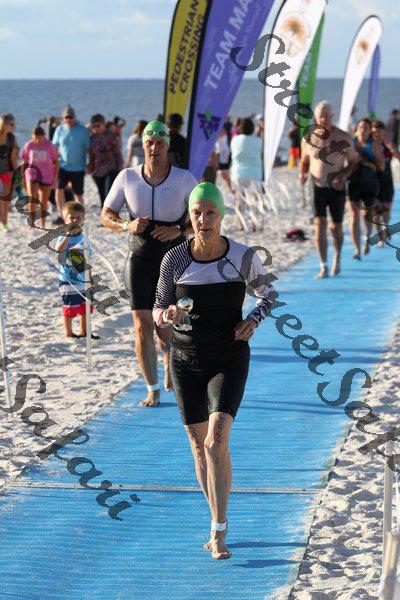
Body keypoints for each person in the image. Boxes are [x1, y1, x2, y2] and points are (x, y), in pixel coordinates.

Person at [153, 182, 276, 560]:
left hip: (228, 357)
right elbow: (158, 308)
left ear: (221, 215)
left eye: (210, 213)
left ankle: (219, 530)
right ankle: (215, 516)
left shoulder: (241, 257)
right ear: (189, 217)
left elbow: (269, 294)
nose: (203, 220)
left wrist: (253, 320)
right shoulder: (175, 259)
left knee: (215, 443)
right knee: (198, 446)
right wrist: (167, 316)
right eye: (196, 213)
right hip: (184, 360)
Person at [101, 120, 197, 407]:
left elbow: (207, 215)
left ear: (168, 145)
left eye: (159, 143)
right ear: (142, 145)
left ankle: (168, 357)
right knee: (142, 326)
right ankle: (152, 388)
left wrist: (179, 231)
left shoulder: (184, 179)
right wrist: (126, 225)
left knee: (165, 325)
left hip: (173, 261)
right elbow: (106, 214)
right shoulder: (127, 177)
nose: (154, 148)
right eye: (149, 143)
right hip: (139, 259)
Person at [299, 101, 359, 278]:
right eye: (321, 116)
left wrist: (342, 175)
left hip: (336, 188)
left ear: (332, 116)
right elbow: (304, 162)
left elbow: (354, 162)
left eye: (327, 116)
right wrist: (302, 174)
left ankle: (337, 258)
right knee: (320, 225)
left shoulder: (344, 137)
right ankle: (323, 266)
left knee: (336, 227)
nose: (324, 120)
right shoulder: (308, 139)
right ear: (316, 118)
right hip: (317, 187)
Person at [55, 202, 99, 339]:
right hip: (68, 279)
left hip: (84, 278)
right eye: (71, 217)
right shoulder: (63, 235)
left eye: (78, 217)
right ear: (64, 219)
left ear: (83, 218)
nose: (75, 220)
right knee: (70, 307)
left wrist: (90, 278)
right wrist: (68, 236)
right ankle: (69, 333)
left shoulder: (84, 237)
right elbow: (59, 250)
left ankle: (84, 331)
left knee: (86, 307)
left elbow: (87, 260)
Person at [348, 118, 384, 259]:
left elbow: (382, 167)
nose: (363, 130)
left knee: (367, 215)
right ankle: (357, 250)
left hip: (369, 183)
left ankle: (367, 238)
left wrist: (368, 163)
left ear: (370, 131)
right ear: (357, 129)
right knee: (353, 215)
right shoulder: (350, 143)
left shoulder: (374, 145)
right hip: (353, 182)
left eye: (366, 128)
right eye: (361, 127)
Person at [52, 106, 91, 222]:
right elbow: (54, 148)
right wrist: (52, 163)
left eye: (71, 117)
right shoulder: (59, 130)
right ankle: (62, 215)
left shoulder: (82, 130)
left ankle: (81, 217)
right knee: (59, 190)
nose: (69, 119)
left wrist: (90, 163)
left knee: (78, 194)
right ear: (63, 118)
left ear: (75, 117)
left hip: (78, 167)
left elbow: (89, 149)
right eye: (66, 117)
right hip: (63, 166)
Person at [21, 125, 59, 228]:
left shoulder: (49, 145)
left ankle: (42, 223)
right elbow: (24, 161)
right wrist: (22, 176)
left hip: (47, 175)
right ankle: (32, 222)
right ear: (32, 136)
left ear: (44, 136)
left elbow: (56, 161)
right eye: (36, 138)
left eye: (40, 138)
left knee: (43, 201)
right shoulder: (29, 145)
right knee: (32, 199)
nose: (38, 140)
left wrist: (55, 176)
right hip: (32, 174)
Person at [372, 120, 400, 238]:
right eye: (375, 132)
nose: (377, 134)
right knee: (376, 211)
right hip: (373, 181)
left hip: (387, 181)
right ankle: (380, 236)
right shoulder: (369, 145)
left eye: (380, 131)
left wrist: (392, 149)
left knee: (386, 210)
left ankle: (386, 226)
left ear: (384, 132)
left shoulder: (388, 144)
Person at [88, 114, 122, 208]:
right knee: (102, 196)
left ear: (103, 124)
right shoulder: (92, 137)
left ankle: (110, 213)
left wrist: (120, 168)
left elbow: (118, 153)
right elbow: (91, 154)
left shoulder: (111, 135)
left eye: (98, 125)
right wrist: (90, 165)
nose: (96, 128)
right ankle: (104, 215)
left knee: (108, 195)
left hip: (111, 168)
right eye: (94, 126)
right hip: (98, 171)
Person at [0, 113, 18, 232]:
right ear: (5, 124)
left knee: (5, 198)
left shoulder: (11, 137)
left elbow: (13, 157)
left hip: (6, 172)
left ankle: (5, 223)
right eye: (12, 124)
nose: (14, 126)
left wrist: (17, 171)